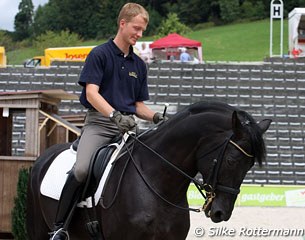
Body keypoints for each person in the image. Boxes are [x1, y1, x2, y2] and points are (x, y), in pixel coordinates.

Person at [49, 3, 165, 240]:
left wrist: (155, 117)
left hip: (128, 128)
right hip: (100, 125)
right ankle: (59, 227)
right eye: (136, 28)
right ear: (122, 23)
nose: (140, 35)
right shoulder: (99, 54)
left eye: (143, 30)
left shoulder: (139, 65)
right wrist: (114, 115)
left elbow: (138, 105)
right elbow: (92, 93)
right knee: (81, 170)